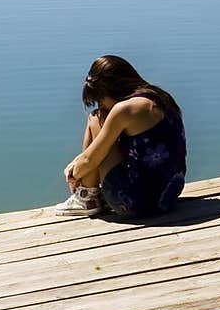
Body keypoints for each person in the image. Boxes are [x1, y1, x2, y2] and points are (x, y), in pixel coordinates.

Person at [57, 55, 186, 216]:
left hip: (134, 203)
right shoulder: (160, 97)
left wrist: (74, 174)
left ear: (109, 90)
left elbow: (90, 160)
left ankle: (87, 197)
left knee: (96, 119)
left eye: (100, 100)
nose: (101, 105)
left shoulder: (124, 110)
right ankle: (90, 194)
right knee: (103, 130)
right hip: (168, 196)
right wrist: (80, 161)